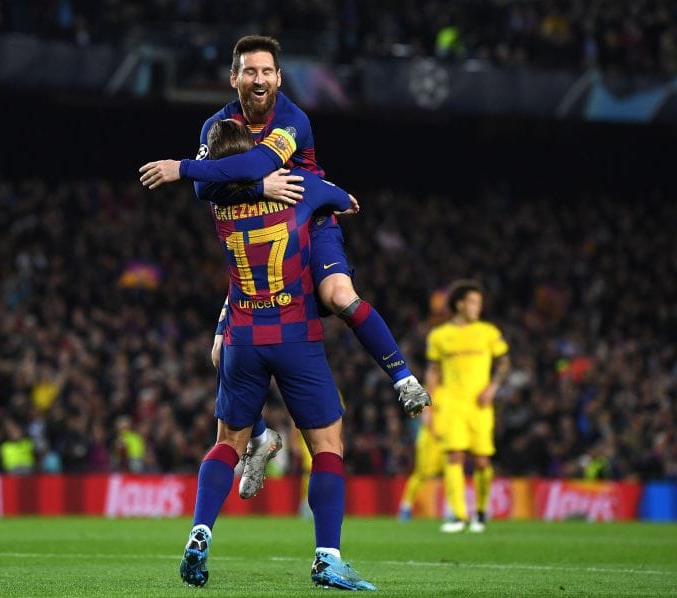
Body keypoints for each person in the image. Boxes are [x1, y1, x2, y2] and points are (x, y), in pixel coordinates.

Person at [139, 34, 430, 496]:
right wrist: (257, 189)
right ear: (234, 77)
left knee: (337, 296)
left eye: (267, 71)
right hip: (259, 235)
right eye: (250, 71)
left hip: (309, 221)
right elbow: (206, 192)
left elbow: (253, 163)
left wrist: (183, 167)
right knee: (221, 354)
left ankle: (403, 377)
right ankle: (260, 438)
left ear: (278, 77)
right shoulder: (216, 125)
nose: (259, 79)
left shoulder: (292, 119)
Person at [172, 119, 416, 590]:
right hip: (295, 336)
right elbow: (347, 201)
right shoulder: (299, 189)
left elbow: (210, 179)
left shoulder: (216, 202)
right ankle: (326, 557)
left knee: (228, 443)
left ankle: (200, 531)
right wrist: (330, 203)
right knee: (327, 447)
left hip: (243, 338)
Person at [426, 280, 510, 533]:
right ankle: (459, 516)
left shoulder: (488, 332)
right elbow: (433, 372)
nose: (478, 307)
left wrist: (493, 387)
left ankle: (481, 512)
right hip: (451, 403)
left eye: (479, 303)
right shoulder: (439, 336)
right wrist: (428, 407)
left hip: (479, 405)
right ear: (460, 304)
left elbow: (504, 363)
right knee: (454, 456)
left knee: (482, 460)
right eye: (473, 302)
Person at [397, 403, 445, 521]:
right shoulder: (430, 392)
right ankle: (405, 508)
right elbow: (426, 416)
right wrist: (434, 432)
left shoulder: (450, 391)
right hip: (430, 438)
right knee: (421, 473)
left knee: (450, 471)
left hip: (446, 437)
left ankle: (452, 511)